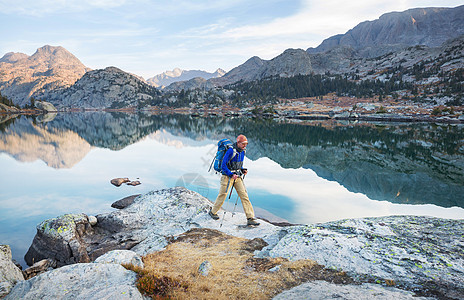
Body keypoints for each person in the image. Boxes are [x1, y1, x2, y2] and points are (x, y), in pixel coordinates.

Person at [209, 134, 260, 226]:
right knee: (223, 195)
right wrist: (231, 174)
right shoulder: (230, 150)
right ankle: (213, 212)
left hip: (237, 176)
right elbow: (224, 165)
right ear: (238, 142)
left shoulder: (243, 151)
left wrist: (242, 169)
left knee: (244, 196)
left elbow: (238, 164)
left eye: (246, 144)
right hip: (227, 177)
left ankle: (250, 218)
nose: (245, 145)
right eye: (243, 144)